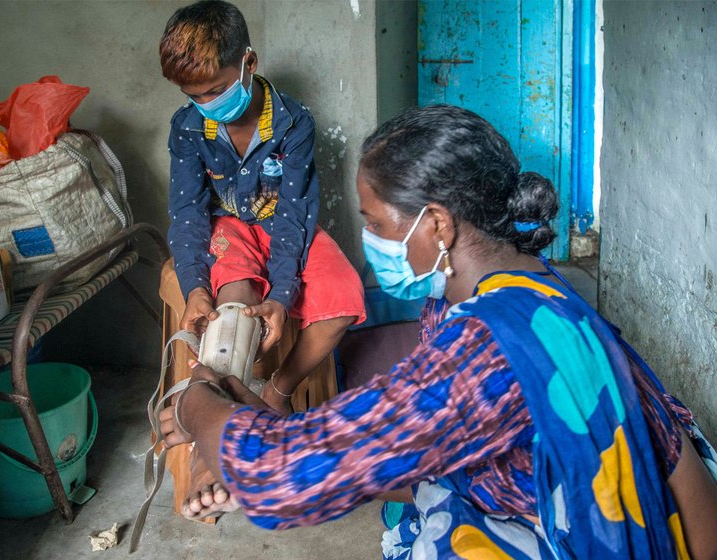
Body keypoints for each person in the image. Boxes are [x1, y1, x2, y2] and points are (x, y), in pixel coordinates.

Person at [159, 104, 717, 558]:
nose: (370, 238)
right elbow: (427, 446)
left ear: (437, 224)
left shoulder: (487, 351)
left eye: (376, 223)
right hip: (634, 508)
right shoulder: (524, 283)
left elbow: (285, 477)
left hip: (637, 536)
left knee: (437, 538)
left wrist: (194, 405)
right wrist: (259, 446)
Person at [158, 0, 366, 515]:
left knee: (343, 302)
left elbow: (295, 215)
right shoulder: (188, 127)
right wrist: (197, 289)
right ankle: (218, 442)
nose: (205, 103)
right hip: (230, 229)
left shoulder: (294, 123)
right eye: (194, 95)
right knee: (234, 313)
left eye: (215, 91)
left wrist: (283, 294)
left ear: (248, 63)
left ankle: (275, 395)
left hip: (285, 228)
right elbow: (187, 214)